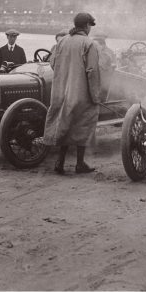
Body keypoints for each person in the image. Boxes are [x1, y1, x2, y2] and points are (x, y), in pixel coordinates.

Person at [43, 13, 101, 175]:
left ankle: (60, 162)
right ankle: (80, 163)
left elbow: (53, 63)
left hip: (61, 91)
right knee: (82, 125)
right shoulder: (89, 44)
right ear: (87, 26)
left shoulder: (62, 41)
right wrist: (95, 95)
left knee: (64, 124)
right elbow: (92, 71)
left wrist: (65, 76)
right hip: (81, 93)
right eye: (90, 26)